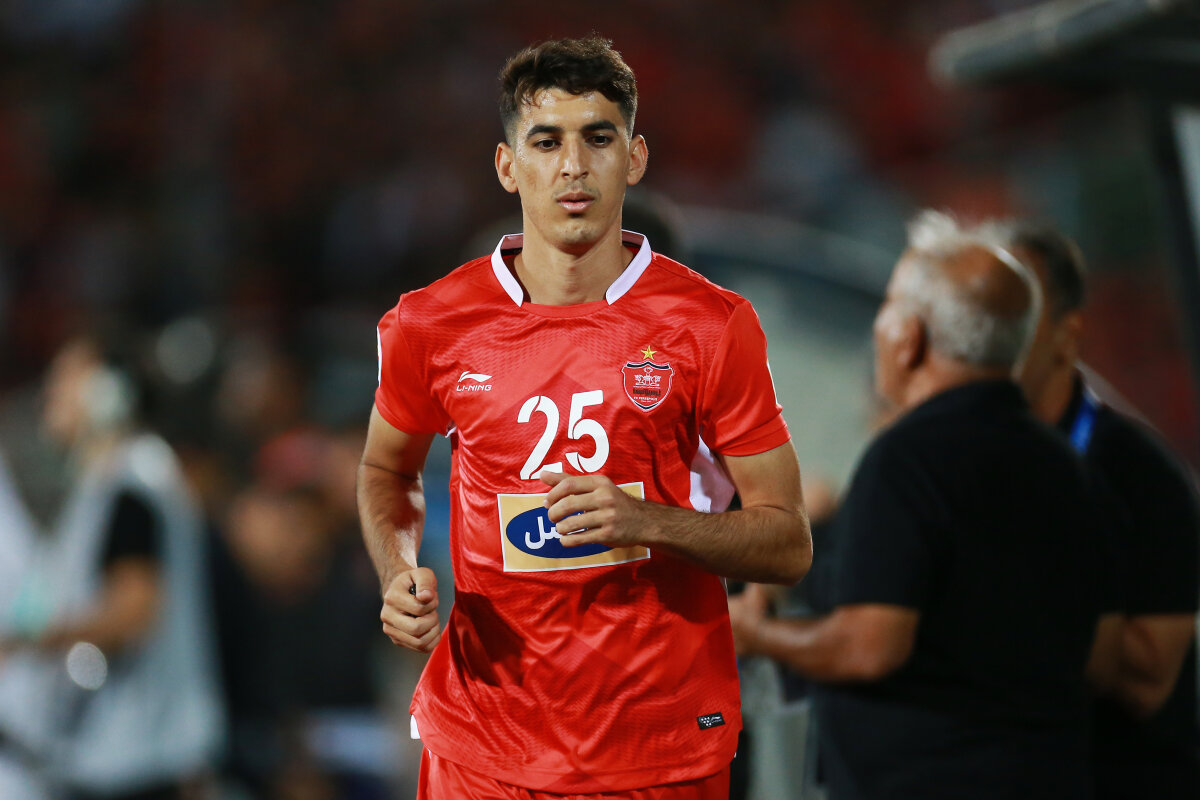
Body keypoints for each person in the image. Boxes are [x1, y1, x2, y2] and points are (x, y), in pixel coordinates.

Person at [357, 35, 812, 799]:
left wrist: (648, 521)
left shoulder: (711, 325)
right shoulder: (429, 324)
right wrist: (397, 571)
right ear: (508, 166)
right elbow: (385, 467)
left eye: (598, 138)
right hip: (484, 749)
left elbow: (788, 541)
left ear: (634, 158)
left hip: (655, 748)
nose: (573, 165)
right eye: (546, 142)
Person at [728, 210, 1107, 799]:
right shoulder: (1061, 461)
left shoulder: (906, 459)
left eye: (888, 308)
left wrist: (756, 636)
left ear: (910, 339)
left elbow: (869, 647)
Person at [1000, 220, 1200, 799]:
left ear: (1068, 334)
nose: (993, 328)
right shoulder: (970, 457)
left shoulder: (1141, 476)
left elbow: (1148, 685)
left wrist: (1007, 587)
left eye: (1018, 309)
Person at [0, 334, 224, 800]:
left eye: (65, 380)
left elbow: (133, 610)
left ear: (109, 392)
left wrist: (24, 643)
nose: (49, 394)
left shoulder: (132, 484)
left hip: (139, 758)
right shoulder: (118, 479)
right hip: (134, 753)